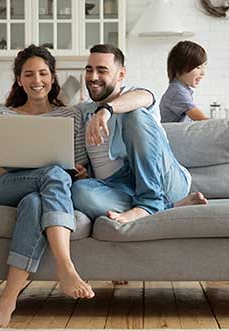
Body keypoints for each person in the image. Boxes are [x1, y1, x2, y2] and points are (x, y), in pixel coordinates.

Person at [0, 45, 97, 328]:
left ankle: (7, 302)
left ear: (53, 77)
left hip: (41, 191)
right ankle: (66, 267)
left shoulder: (70, 116)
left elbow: (79, 163)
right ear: (19, 79)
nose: (36, 80)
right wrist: (13, 164)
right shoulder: (3, 115)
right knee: (51, 173)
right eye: (29, 74)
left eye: (43, 73)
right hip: (5, 186)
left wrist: (78, 170)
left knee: (35, 203)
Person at [72, 44, 208, 225]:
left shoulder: (136, 95)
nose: (93, 77)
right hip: (118, 187)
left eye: (102, 70)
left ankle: (149, 202)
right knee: (79, 191)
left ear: (121, 75)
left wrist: (107, 110)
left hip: (163, 178)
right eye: (89, 70)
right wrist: (84, 173)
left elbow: (144, 98)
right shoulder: (83, 112)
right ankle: (167, 206)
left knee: (135, 114)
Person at [159, 40, 209, 123]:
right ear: (180, 68)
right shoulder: (177, 91)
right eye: (198, 67)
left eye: (204, 67)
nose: (203, 73)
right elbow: (203, 121)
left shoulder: (181, 90)